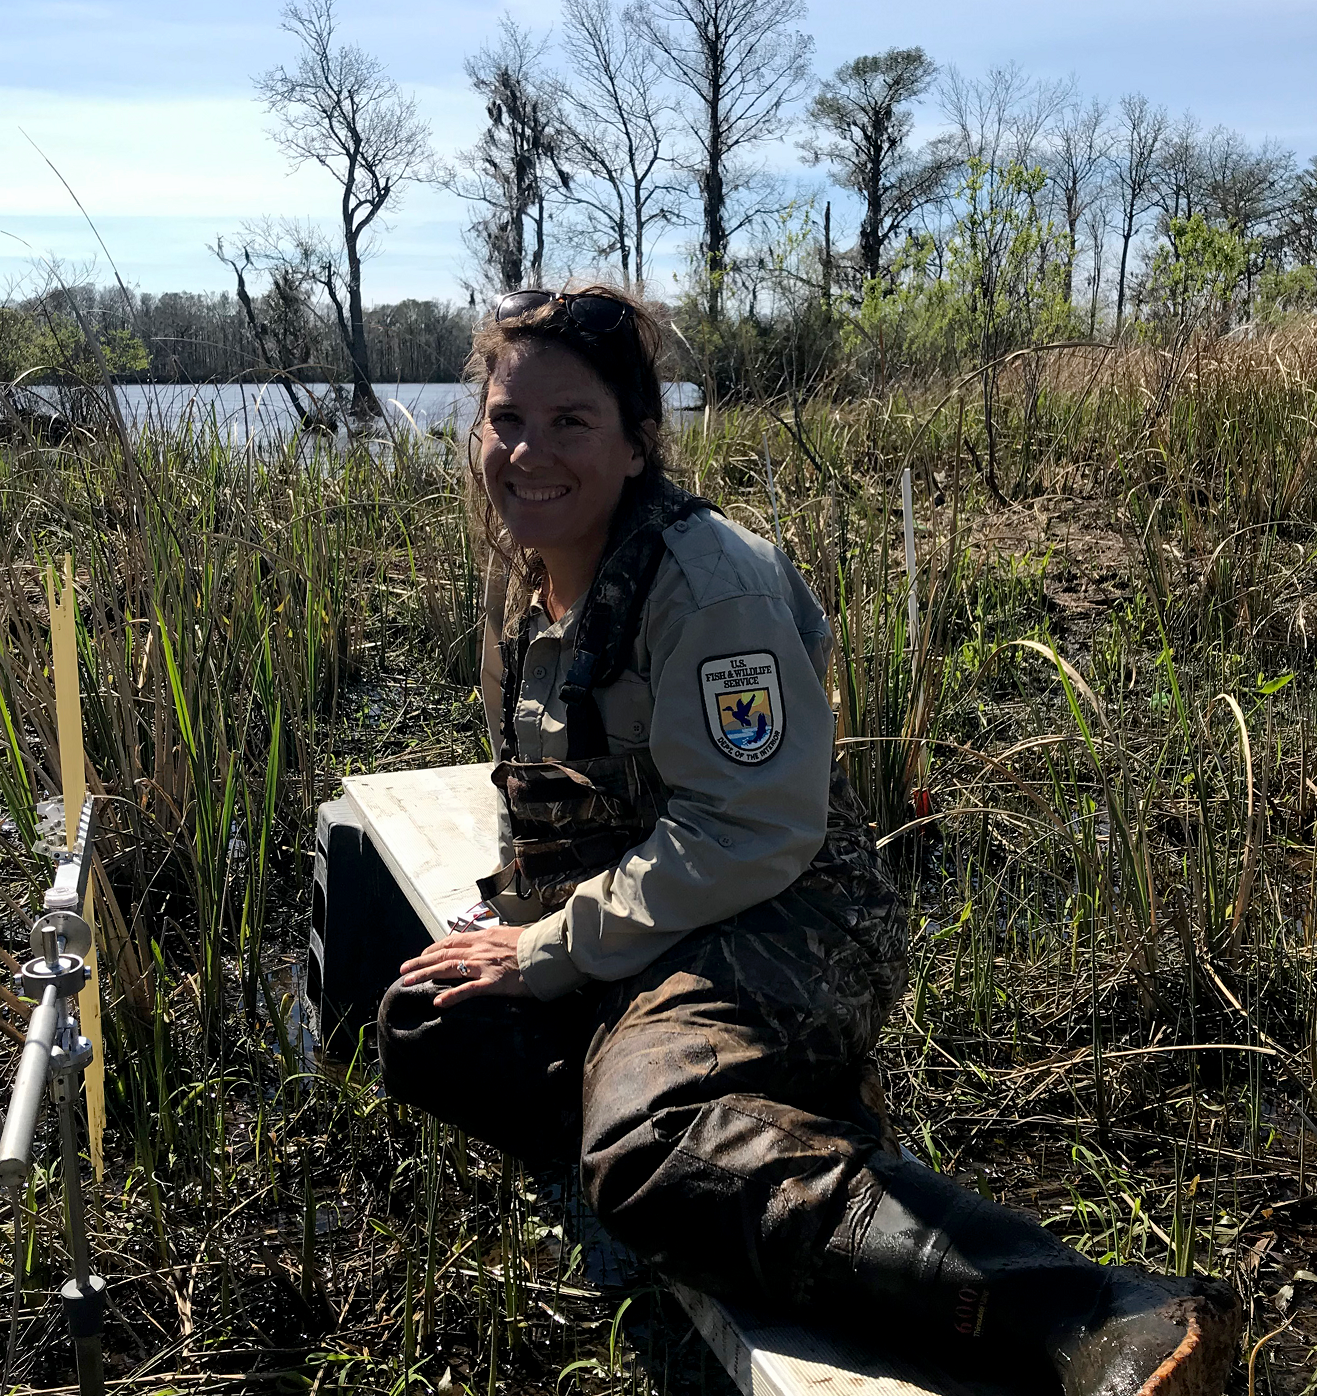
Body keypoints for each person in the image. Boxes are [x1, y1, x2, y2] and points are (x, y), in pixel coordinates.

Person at [376, 285, 1240, 1395]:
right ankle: (722, 1111)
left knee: (646, 1150)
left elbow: (749, 833)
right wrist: (516, 937)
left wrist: (550, 955)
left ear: (639, 444)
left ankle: (1091, 1310)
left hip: (785, 914)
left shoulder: (706, 584)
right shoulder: (530, 569)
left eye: (569, 422)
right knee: (426, 1021)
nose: (526, 450)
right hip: (647, 920)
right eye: (505, 419)